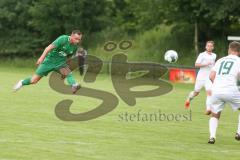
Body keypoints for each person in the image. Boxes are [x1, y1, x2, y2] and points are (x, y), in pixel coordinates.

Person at [13, 30, 82, 94]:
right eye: (76, 39)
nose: (77, 41)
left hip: (60, 63)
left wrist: (63, 73)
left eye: (79, 39)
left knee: (68, 73)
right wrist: (41, 58)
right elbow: (48, 48)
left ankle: (74, 85)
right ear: (71, 36)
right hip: (49, 62)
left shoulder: (74, 47)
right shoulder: (63, 39)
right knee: (33, 81)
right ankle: (22, 82)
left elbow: (68, 57)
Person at [208, 41, 240, 144]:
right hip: (232, 89)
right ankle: (238, 133)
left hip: (216, 90)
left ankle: (212, 137)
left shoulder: (220, 60)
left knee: (215, 114)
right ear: (238, 52)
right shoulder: (239, 61)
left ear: (229, 49)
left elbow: (211, 76)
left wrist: (218, 85)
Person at [185, 41, 217, 115]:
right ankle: (189, 98)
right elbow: (196, 64)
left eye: (211, 46)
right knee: (196, 93)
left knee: (209, 92)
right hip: (201, 77)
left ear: (213, 47)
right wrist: (206, 64)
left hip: (209, 78)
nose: (209, 47)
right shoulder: (202, 55)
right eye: (208, 46)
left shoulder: (214, 55)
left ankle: (208, 108)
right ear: (206, 47)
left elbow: (213, 65)